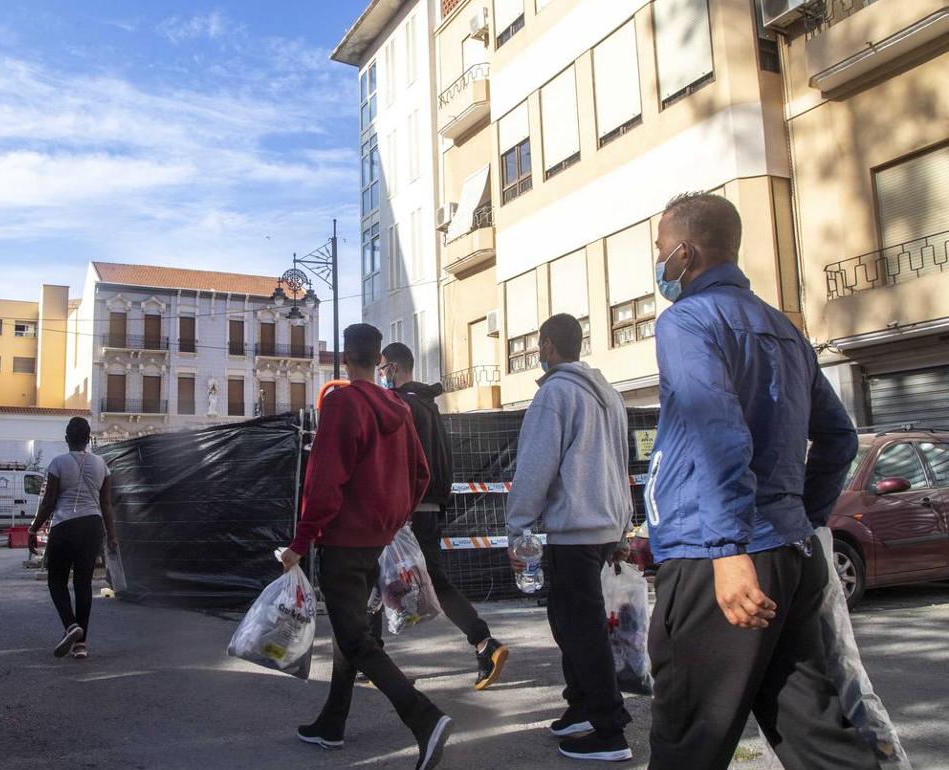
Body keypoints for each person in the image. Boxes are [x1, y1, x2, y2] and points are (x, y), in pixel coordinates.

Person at [645, 192, 877, 770]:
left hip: (715, 555)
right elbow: (839, 438)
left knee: (688, 738)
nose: (658, 262)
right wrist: (804, 518)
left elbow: (716, 430)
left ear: (684, 253)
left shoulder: (686, 320)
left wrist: (728, 550)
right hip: (788, 551)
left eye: (660, 249)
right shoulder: (783, 328)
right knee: (813, 728)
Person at [281, 324, 453, 770]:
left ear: (344, 359)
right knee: (351, 633)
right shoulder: (400, 407)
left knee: (356, 639)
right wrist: (393, 520)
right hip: (377, 540)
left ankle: (425, 718)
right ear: (380, 360)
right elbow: (420, 473)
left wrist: (300, 542)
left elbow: (323, 481)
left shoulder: (341, 403)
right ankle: (332, 723)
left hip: (343, 542)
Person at [505, 313, 635, 763]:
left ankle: (609, 729)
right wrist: (623, 526)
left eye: (537, 346)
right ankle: (580, 705)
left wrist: (519, 527)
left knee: (581, 630)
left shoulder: (555, 395)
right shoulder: (610, 394)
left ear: (547, 346)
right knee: (569, 622)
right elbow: (620, 462)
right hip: (602, 526)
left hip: (574, 530)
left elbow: (535, 465)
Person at [375, 342, 508, 690]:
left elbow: (394, 460)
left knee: (373, 576)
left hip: (405, 511)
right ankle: (483, 643)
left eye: (382, 369)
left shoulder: (399, 405)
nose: (380, 375)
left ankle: (372, 659)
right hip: (430, 507)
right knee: (427, 579)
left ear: (392, 369)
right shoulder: (429, 406)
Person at [28, 417, 118, 660]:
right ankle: (81, 645)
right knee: (83, 583)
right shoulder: (102, 465)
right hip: (92, 526)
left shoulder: (58, 463)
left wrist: (33, 529)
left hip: (65, 526)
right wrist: (112, 535)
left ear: (67, 438)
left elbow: (49, 502)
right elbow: (106, 504)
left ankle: (70, 625)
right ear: (88, 439)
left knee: (56, 581)